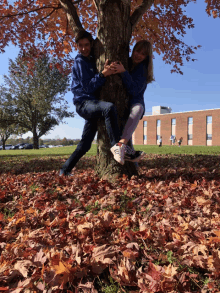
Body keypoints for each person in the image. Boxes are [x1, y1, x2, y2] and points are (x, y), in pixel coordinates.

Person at [60, 31, 126, 176]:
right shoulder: (80, 61)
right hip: (84, 103)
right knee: (109, 108)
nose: (84, 48)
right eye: (80, 46)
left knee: (85, 145)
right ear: (77, 46)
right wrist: (103, 74)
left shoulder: (91, 60)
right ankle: (116, 147)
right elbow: (88, 87)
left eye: (87, 45)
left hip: (93, 104)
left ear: (91, 45)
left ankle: (64, 170)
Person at [110, 40, 154, 162]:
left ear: (147, 57)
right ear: (133, 50)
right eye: (137, 51)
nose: (138, 55)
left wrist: (123, 72)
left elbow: (134, 91)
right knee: (125, 130)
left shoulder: (143, 70)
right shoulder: (126, 61)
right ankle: (129, 152)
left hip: (134, 102)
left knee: (138, 109)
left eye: (143, 54)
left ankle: (120, 145)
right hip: (121, 102)